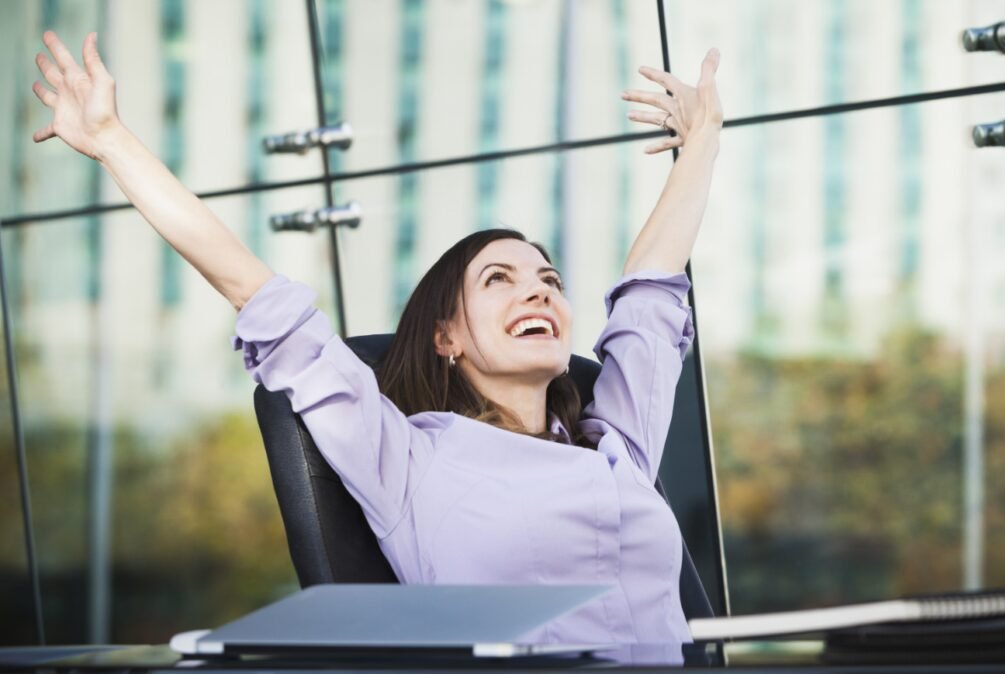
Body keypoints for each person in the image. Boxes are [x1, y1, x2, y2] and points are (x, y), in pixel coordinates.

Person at [31, 31, 723, 645]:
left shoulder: (617, 445)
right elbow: (252, 288)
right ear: (445, 336)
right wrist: (112, 142)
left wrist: (703, 140)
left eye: (548, 278)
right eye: (499, 280)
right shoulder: (408, 456)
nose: (538, 289)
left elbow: (652, 286)